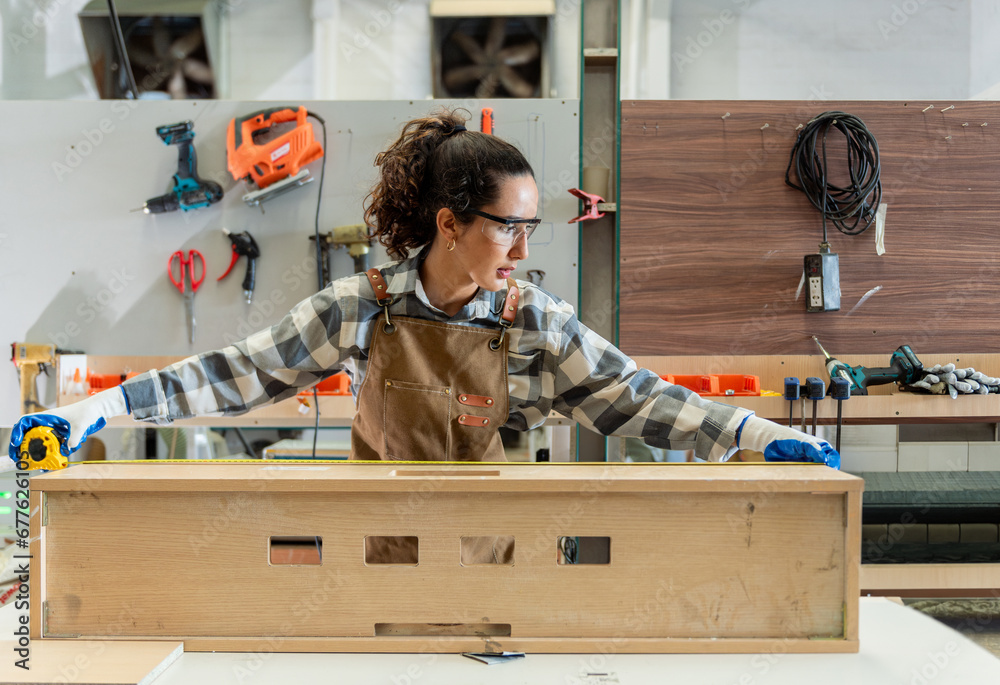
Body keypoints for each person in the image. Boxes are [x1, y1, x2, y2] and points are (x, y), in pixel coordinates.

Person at [9, 109, 839, 474]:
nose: (521, 245)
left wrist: (758, 435)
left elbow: (637, 398)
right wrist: (92, 413)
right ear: (449, 224)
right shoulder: (360, 308)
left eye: (528, 227)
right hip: (363, 545)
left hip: (485, 550)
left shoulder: (534, 323)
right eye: (505, 226)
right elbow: (229, 374)